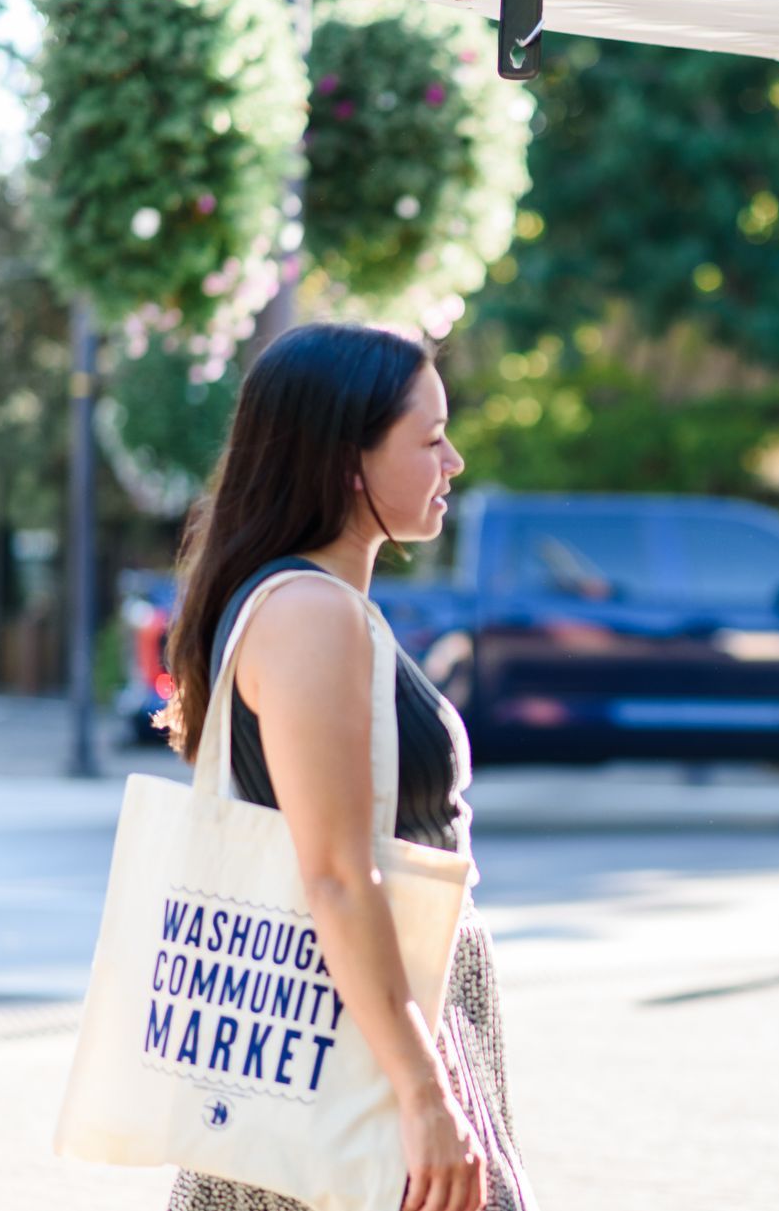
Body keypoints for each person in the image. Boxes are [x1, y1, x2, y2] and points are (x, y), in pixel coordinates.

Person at [157, 323, 534, 1211]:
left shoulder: (311, 604)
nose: (456, 460)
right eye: (430, 437)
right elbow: (334, 874)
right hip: (357, 1038)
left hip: (364, 1025)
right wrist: (424, 1089)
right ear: (347, 460)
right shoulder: (309, 612)